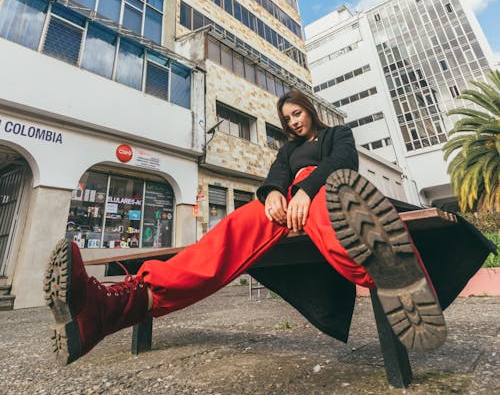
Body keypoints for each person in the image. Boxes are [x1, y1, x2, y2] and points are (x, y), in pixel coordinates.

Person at [44, 90, 493, 365]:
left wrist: (304, 190)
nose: (293, 121)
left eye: (297, 113)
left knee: (328, 209)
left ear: (310, 110)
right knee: (227, 234)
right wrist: (273, 194)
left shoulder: (338, 135)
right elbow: (275, 176)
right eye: (287, 118)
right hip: (285, 209)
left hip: (331, 194)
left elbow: (343, 164)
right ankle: (119, 304)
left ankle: (390, 275)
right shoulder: (287, 149)